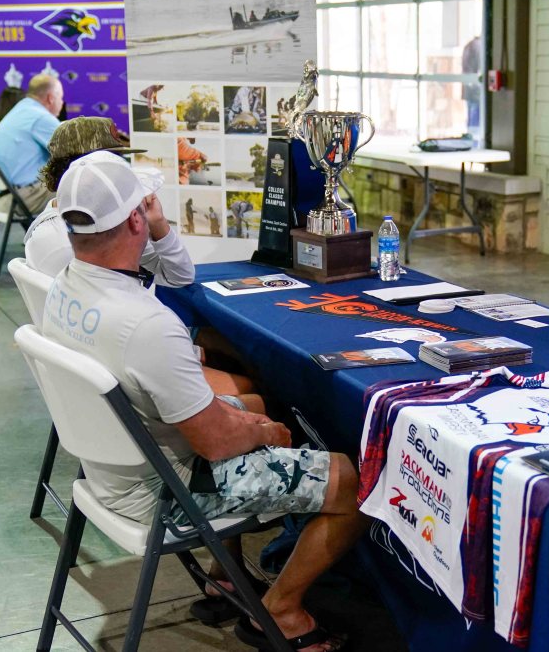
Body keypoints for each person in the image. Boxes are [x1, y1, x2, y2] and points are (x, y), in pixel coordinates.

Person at [42, 152, 365, 650]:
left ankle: (225, 574)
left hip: (108, 473)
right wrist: (267, 433)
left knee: (254, 406)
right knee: (355, 480)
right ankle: (281, 610)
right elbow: (216, 444)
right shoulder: (146, 325)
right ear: (136, 219)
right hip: (164, 492)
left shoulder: (64, 288)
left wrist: (256, 422)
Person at [24, 116, 194, 289]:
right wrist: (156, 224)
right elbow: (179, 276)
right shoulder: (100, 233)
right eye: (115, 161)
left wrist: (156, 223)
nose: (122, 171)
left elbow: (181, 276)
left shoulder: (57, 222)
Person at [0, 74, 64, 215]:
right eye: (61, 98)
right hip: (19, 199)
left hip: (2, 197)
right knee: (79, 187)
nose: (62, 102)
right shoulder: (40, 117)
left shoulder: (22, 109)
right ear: (51, 98)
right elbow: (76, 149)